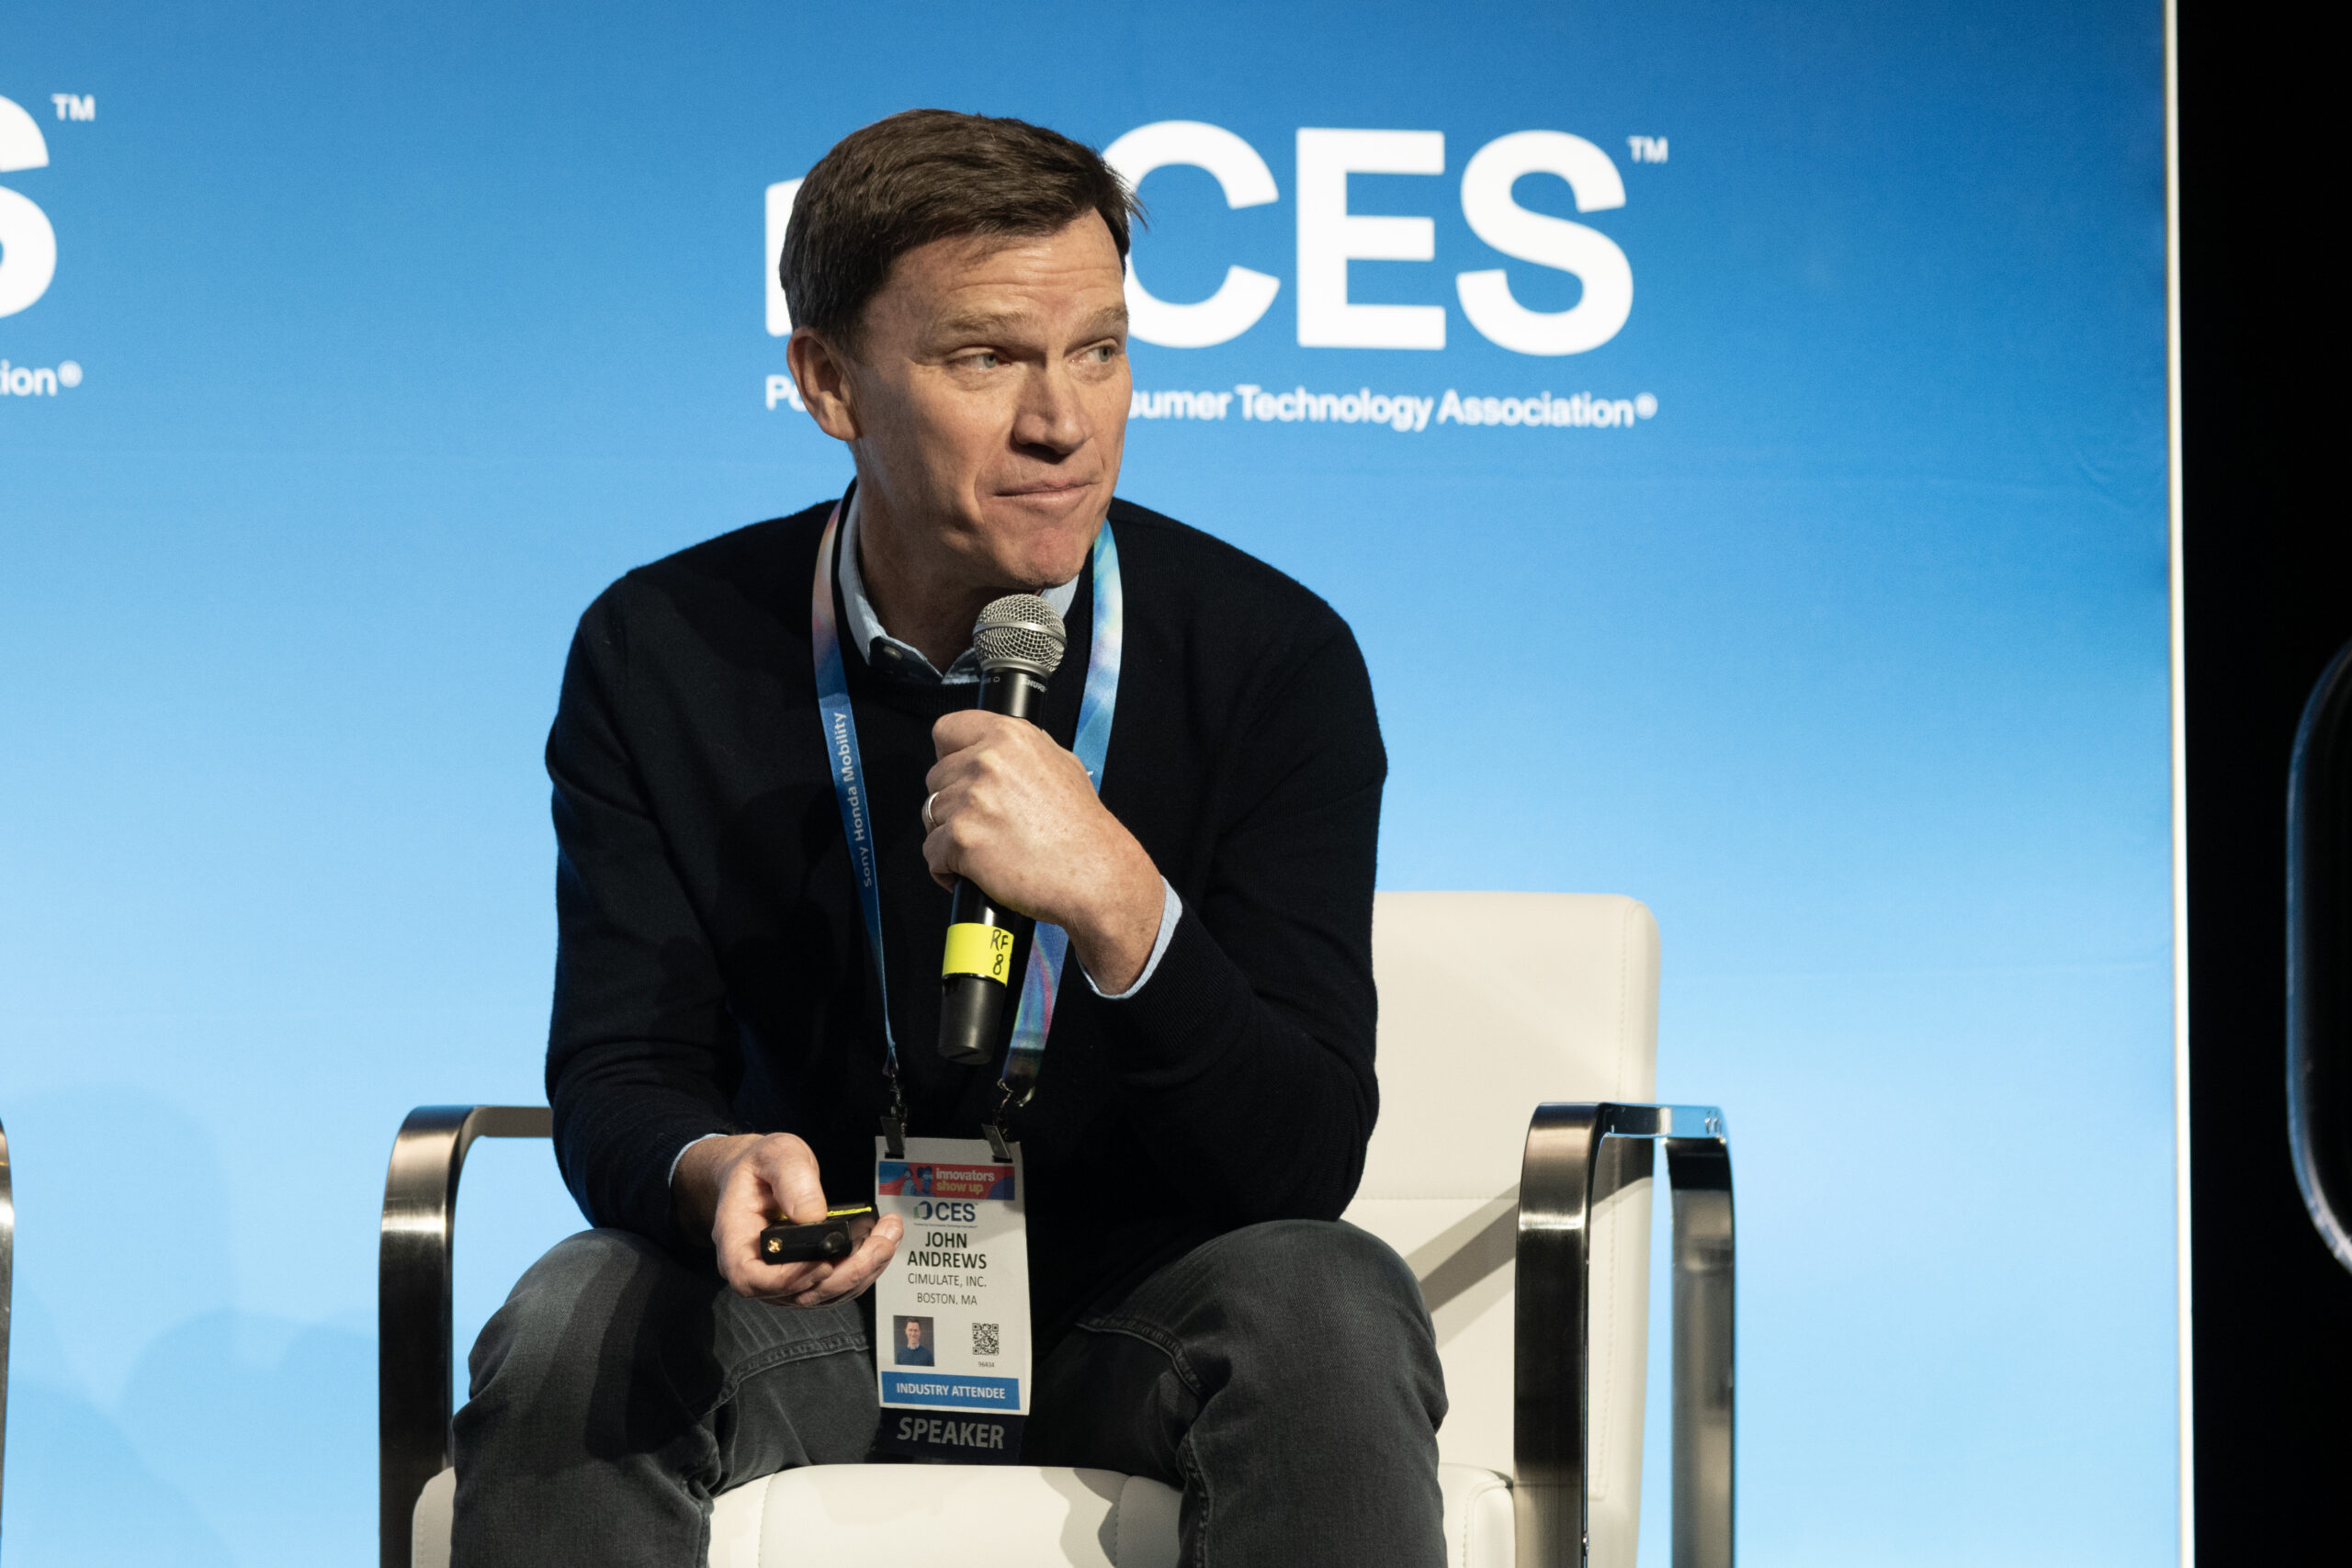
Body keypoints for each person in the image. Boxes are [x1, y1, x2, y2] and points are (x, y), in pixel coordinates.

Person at [450, 107, 1444, 1567]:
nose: (1064, 421)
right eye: (987, 358)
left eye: (1099, 350)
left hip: (1141, 1314)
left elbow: (1300, 1163)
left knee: (1326, 1301)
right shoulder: (660, 650)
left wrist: (1125, 911)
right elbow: (619, 1068)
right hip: (812, 1303)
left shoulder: (1269, 657)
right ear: (828, 382)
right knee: (570, 1327)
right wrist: (711, 1165)